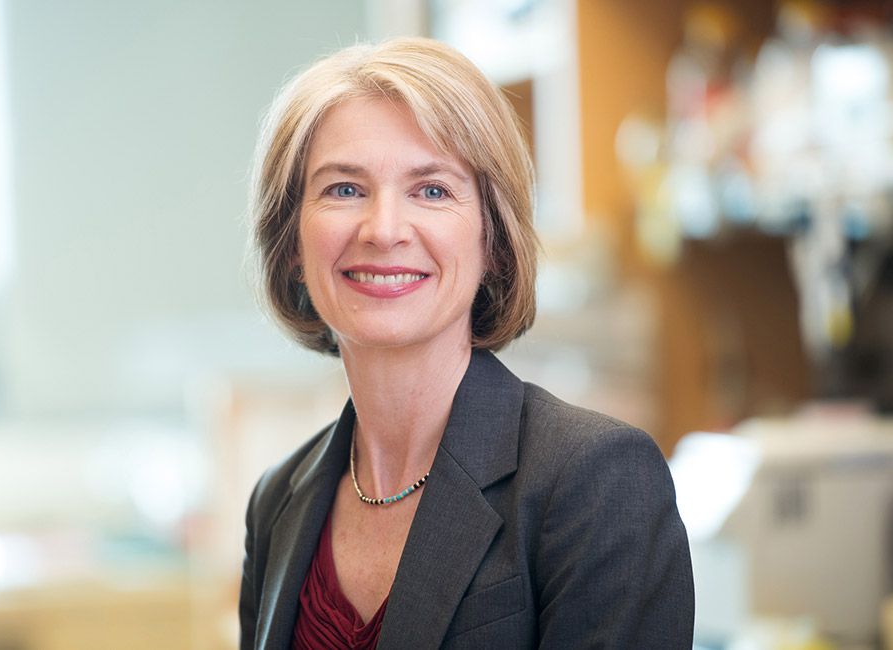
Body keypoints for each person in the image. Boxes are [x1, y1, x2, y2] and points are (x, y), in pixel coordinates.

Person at [241, 37, 694, 649]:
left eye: (431, 190)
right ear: (292, 242)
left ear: (492, 239)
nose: (385, 230)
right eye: (344, 189)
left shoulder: (594, 481)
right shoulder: (278, 501)